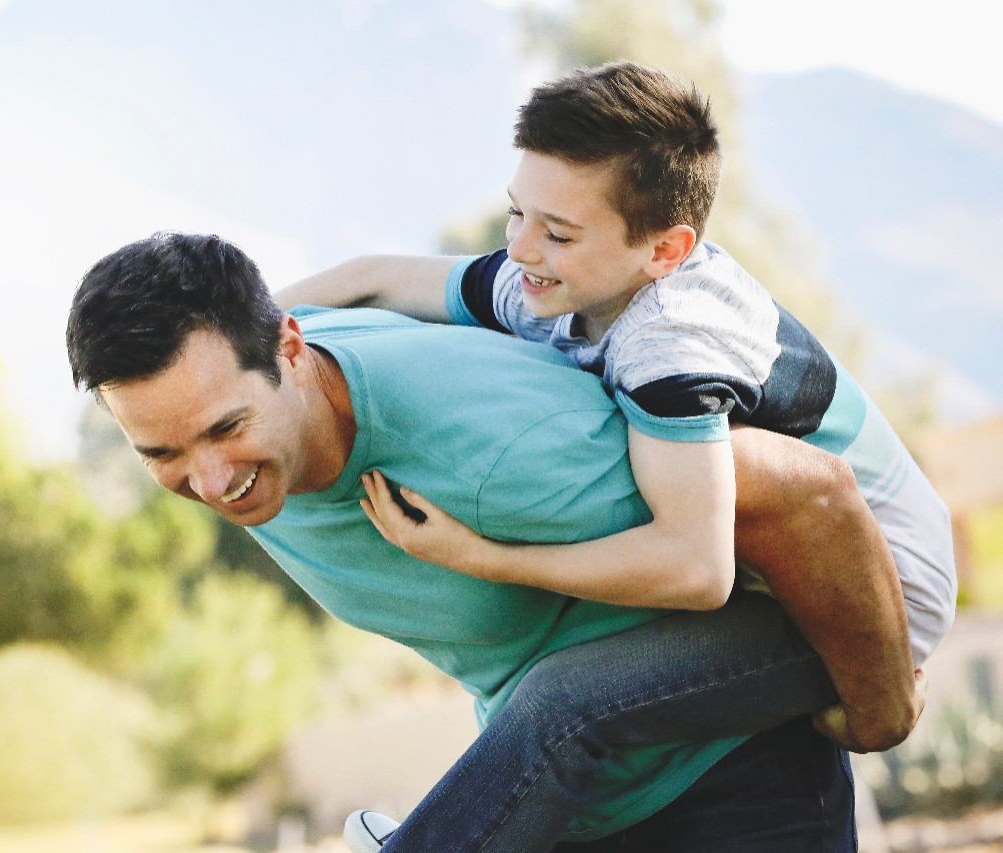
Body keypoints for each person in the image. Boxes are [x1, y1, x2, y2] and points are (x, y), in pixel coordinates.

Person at [66, 231, 925, 851]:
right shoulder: (255, 426)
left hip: (735, 783)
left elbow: (810, 493)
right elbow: (362, 276)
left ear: (291, 349)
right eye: (163, 453)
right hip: (588, 806)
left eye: (226, 427)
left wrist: (883, 706)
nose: (211, 481)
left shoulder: (503, 448)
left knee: (552, 707)